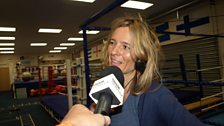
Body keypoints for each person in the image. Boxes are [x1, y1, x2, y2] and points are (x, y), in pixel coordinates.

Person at [57, 15, 204, 126]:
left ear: (141, 57)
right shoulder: (104, 90)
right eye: (112, 43)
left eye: (125, 46)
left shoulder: (156, 95)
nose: (113, 51)